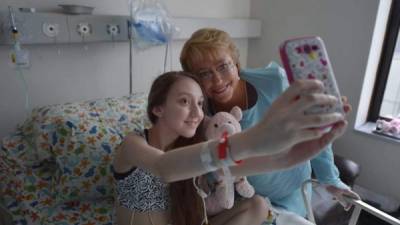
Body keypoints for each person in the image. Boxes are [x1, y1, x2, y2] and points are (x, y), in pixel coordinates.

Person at [112, 71, 347, 225]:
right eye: (184, 101)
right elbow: (164, 167)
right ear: (158, 109)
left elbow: (231, 167)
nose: (197, 113)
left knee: (258, 205)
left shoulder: (194, 148)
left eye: (200, 103)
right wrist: (254, 138)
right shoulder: (133, 146)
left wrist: (287, 158)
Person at [180, 28, 359, 223]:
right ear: (195, 80)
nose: (217, 80)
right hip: (250, 201)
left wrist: (330, 179)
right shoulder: (200, 116)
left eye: (223, 66)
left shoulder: (274, 82)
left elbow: (314, 128)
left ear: (237, 64)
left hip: (295, 193)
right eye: (204, 73)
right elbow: (211, 168)